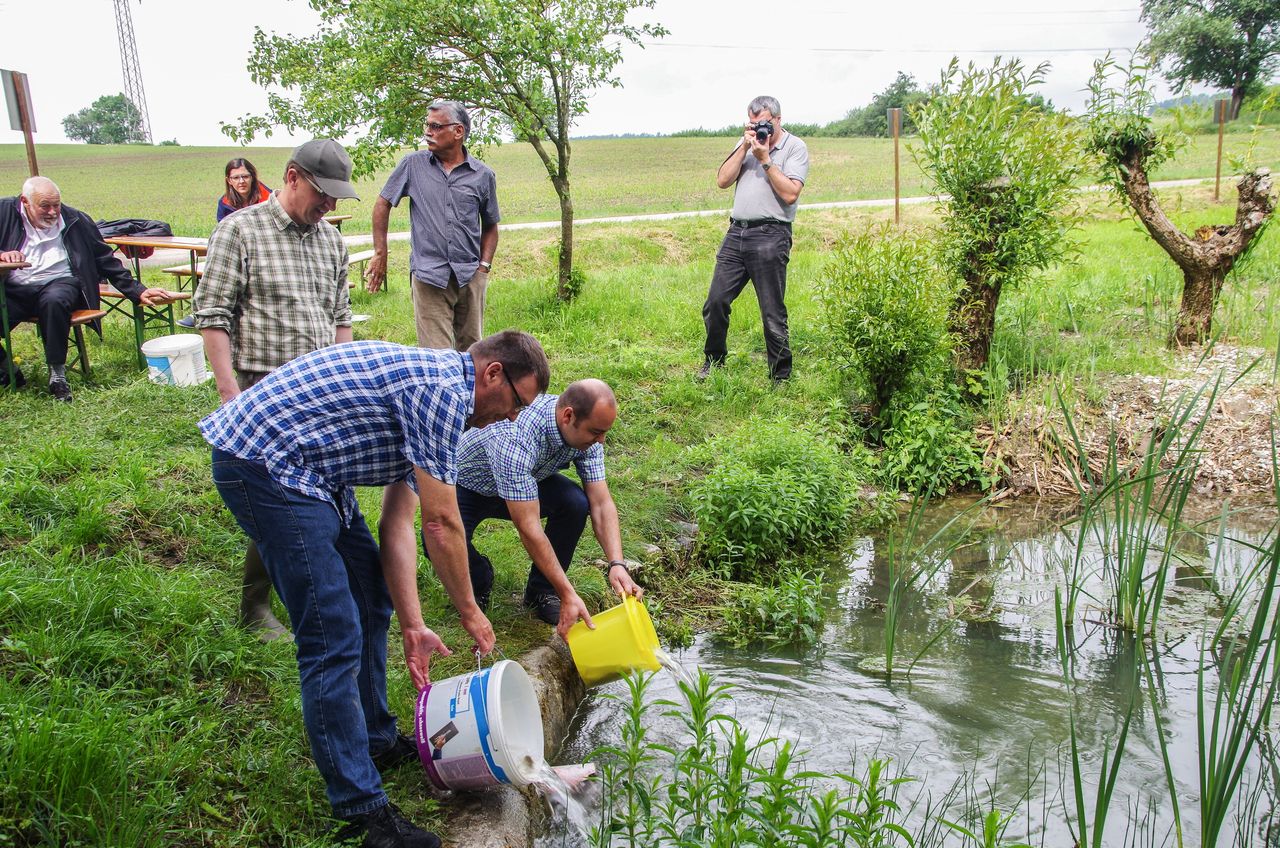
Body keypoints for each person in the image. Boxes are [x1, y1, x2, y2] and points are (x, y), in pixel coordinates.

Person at [201, 330, 549, 848]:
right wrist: (470, 611)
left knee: (369, 595)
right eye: (517, 403)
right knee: (331, 636)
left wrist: (413, 625)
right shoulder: (442, 392)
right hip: (265, 465)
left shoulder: (445, 403)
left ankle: (376, 738)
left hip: (316, 473)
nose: (513, 418)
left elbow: (397, 523)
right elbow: (441, 524)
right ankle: (361, 813)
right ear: (493, 373)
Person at [193, 138, 358, 641]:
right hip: (262, 391)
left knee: (322, 495)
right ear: (291, 177)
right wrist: (230, 395)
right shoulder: (239, 231)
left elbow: (341, 317)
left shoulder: (331, 242)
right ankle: (255, 605)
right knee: (275, 499)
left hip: (320, 394)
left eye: (336, 196)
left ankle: (326, 591)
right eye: (322, 192)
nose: (328, 204)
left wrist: (345, 381)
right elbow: (213, 315)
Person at [454, 378, 642, 636]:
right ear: (568, 416)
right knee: (439, 541)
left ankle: (542, 591)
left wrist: (616, 563)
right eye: (596, 432)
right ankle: (480, 578)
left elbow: (601, 502)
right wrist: (569, 593)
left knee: (575, 503)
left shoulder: (588, 434)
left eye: (604, 432)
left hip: (527, 480)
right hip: (470, 485)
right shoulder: (515, 435)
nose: (601, 441)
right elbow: (528, 527)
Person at [0, 176, 171, 401]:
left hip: (60, 283)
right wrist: (2, 255)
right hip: (13, 288)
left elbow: (104, 258)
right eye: (45, 206)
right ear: (25, 201)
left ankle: (57, 375)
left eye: (56, 205)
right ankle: (9, 370)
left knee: (54, 301)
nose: (52, 212)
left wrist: (137, 290)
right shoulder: (4, 212)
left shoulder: (76, 219)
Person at [365, 100, 499, 351]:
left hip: (469, 276)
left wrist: (483, 268)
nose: (428, 132)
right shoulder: (412, 165)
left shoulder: (482, 175)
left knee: (472, 354)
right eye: (426, 126)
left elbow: (491, 225)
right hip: (429, 276)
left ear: (458, 131)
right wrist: (380, 253)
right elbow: (382, 204)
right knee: (436, 358)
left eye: (436, 126)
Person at [699, 95, 809, 384]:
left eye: (765, 123)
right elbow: (722, 180)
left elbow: (791, 193)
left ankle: (780, 377)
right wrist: (745, 146)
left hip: (772, 235)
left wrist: (766, 160)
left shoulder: (794, 147)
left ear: (778, 120)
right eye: (753, 123)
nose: (760, 128)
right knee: (715, 301)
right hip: (737, 233)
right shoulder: (746, 143)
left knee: (772, 310)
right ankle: (714, 362)